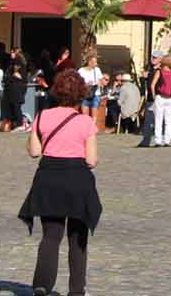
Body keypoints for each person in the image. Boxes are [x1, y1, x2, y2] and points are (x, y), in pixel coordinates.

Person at [19, 67, 103, 296]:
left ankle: (42, 284)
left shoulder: (42, 117)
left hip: (49, 178)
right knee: (78, 238)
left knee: (50, 236)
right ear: (80, 94)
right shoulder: (85, 122)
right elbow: (92, 160)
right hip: (77, 179)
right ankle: (77, 290)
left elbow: (35, 151)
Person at [146, 55, 171, 147]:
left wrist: (153, 95)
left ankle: (158, 141)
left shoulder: (159, 72)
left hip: (160, 97)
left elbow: (152, 85)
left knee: (158, 120)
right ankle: (167, 140)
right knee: (169, 120)